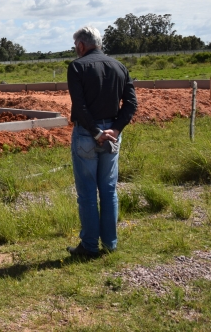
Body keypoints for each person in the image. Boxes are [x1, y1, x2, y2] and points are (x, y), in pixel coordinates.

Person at [67, 26, 137, 258]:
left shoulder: (77, 67)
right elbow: (131, 103)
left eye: (75, 45)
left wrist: (97, 132)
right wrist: (115, 129)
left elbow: (79, 106)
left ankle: (89, 246)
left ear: (81, 45)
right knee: (108, 190)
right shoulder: (119, 66)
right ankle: (110, 244)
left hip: (87, 134)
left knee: (87, 193)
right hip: (112, 136)